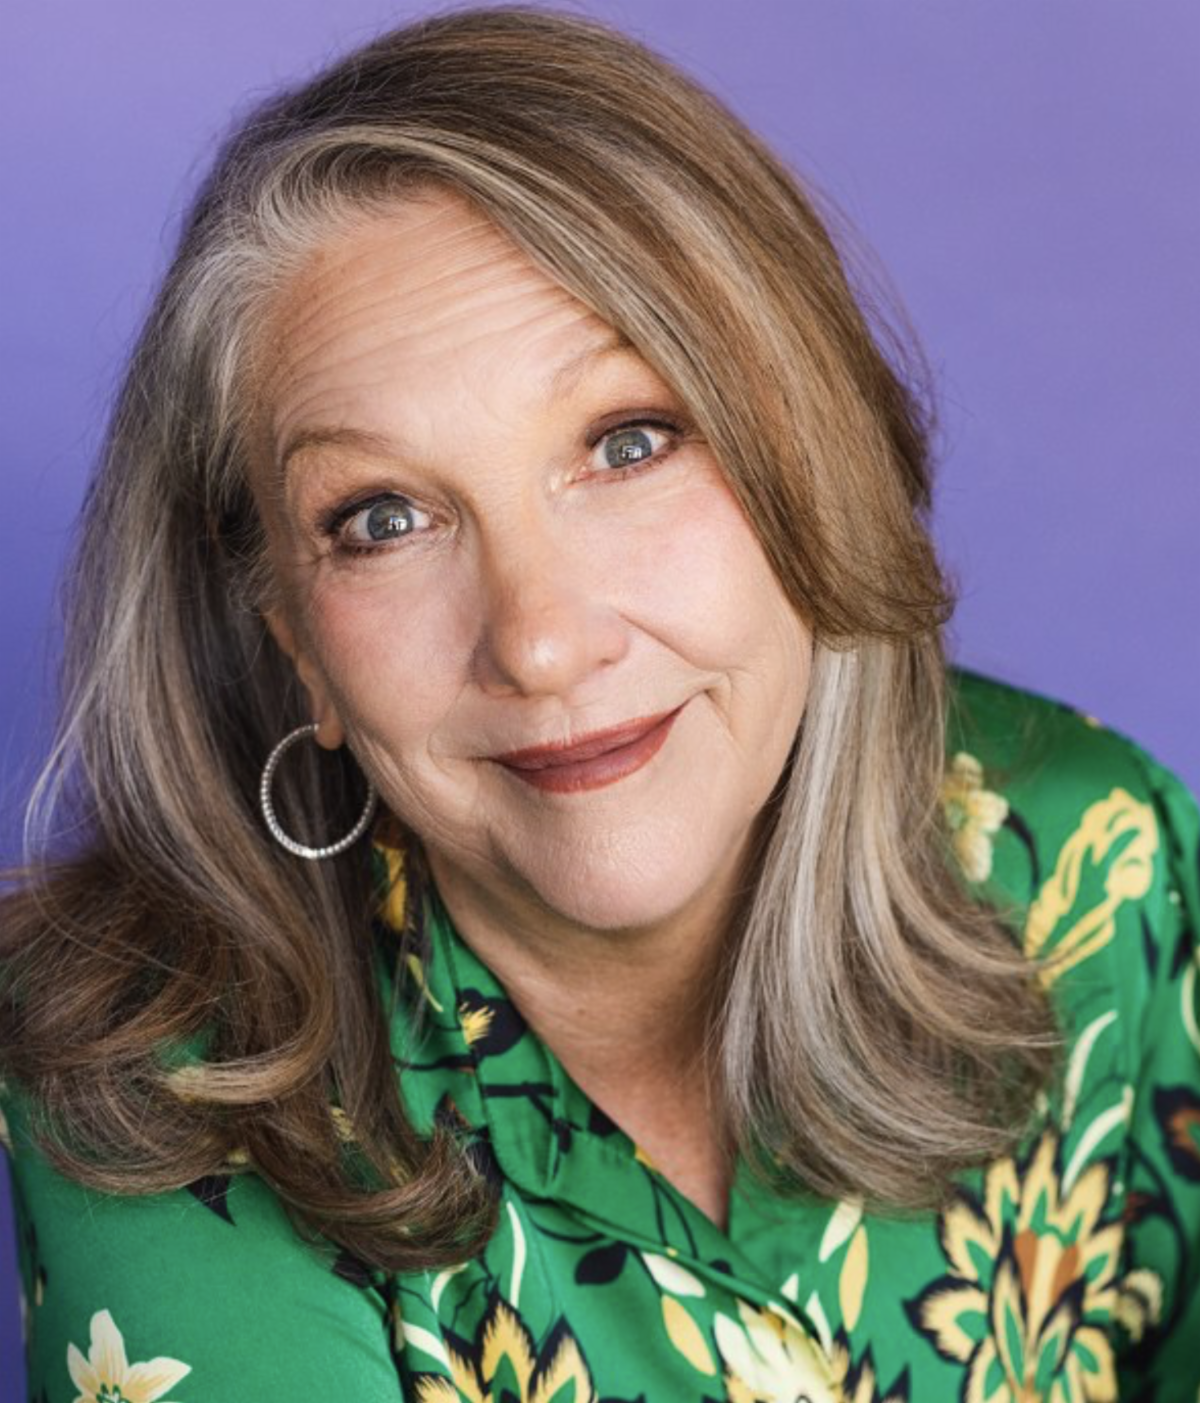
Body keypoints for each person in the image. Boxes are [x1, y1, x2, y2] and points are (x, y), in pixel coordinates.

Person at [1, 6, 1197, 1400]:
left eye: (630, 442)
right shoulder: (145, 1089)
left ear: (811, 460)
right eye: (384, 518)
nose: (544, 644)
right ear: (296, 646)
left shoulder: (1094, 859)